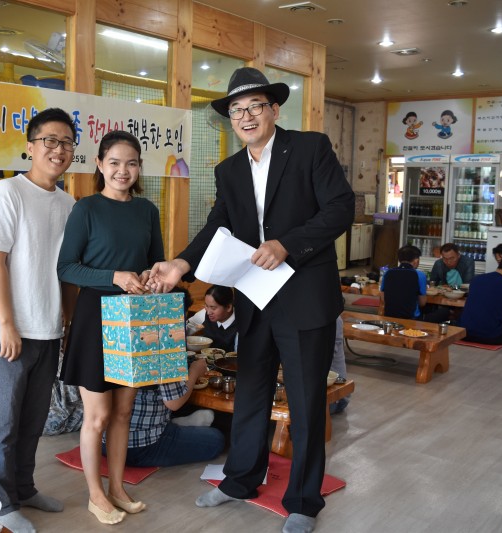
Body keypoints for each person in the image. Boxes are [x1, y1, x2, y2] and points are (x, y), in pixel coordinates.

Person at [146, 67, 355, 533]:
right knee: (251, 392)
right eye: (236, 110)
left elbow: (341, 208)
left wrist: (287, 244)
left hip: (305, 296)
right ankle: (240, 480)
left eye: (255, 106)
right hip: (255, 297)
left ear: (273, 109)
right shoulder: (229, 170)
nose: (245, 116)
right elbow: (217, 226)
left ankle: (304, 501)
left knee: (305, 401)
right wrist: (180, 263)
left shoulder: (309, 148)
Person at [0, 108, 78, 533]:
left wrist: (67, 323)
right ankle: (1, 504)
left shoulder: (69, 204)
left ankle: (24, 488)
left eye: (67, 143)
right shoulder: (6, 193)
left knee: (33, 421)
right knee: (3, 425)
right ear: (30, 147)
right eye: (50, 141)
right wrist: (7, 323)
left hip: (47, 330)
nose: (59, 150)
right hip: (5, 332)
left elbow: (68, 272)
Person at [58, 130, 165, 525]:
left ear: (139, 168)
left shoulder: (147, 210)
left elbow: (156, 262)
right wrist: (115, 277)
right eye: (115, 162)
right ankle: (95, 495)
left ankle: (118, 488)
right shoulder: (86, 209)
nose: (123, 170)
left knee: (124, 412)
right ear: (100, 164)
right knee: (98, 416)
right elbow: (67, 267)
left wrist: (151, 277)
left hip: (134, 317)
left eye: (131, 163)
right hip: (95, 318)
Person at [106, 355, 225, 467]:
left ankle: (175, 423)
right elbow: (175, 402)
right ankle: (173, 426)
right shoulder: (162, 345)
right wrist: (195, 370)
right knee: (216, 440)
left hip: (105, 442)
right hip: (141, 446)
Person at [380, 245, 449, 323]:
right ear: (416, 260)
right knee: (445, 312)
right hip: (412, 320)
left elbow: (383, 298)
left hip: (390, 318)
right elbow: (422, 303)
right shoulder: (419, 275)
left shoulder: (388, 273)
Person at [186, 285, 238, 352]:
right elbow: (187, 327)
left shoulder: (242, 324)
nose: (208, 312)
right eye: (206, 306)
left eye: (213, 308)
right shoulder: (205, 314)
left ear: (228, 307)